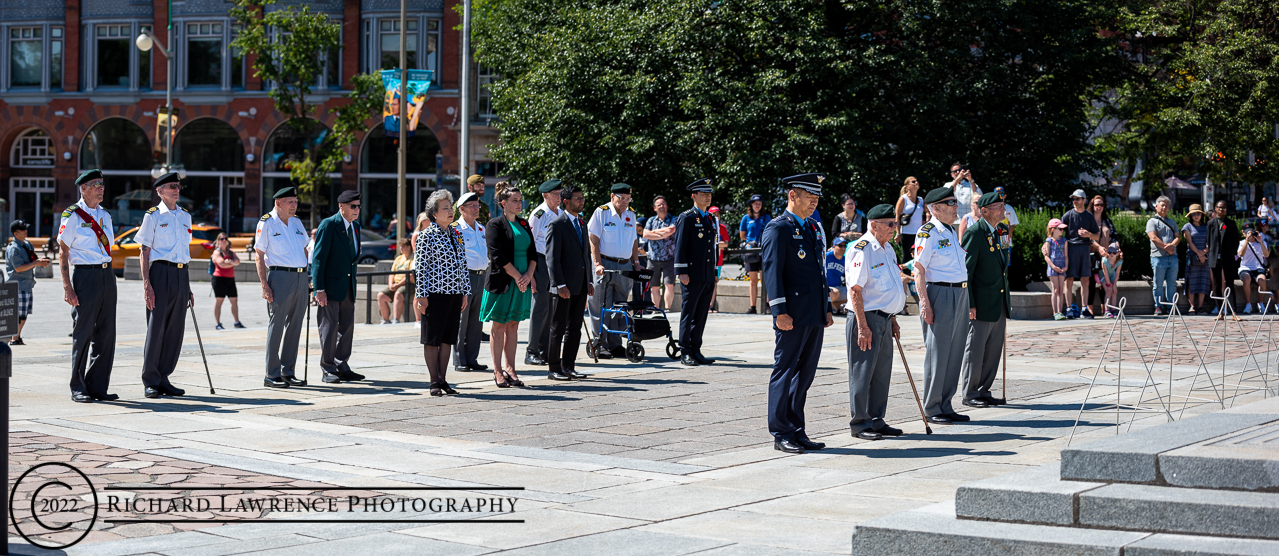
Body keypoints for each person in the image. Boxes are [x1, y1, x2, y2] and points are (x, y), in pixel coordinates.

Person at [763, 173, 834, 454]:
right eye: (809, 196)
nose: (814, 201)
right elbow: (772, 272)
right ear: (793, 196)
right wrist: (779, 311)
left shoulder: (813, 227)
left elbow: (820, 271)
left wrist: (826, 306)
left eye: (816, 197)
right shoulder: (778, 228)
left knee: (804, 375)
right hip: (791, 314)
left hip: (812, 313)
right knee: (785, 371)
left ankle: (797, 428)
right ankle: (781, 432)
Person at [846, 204, 907, 440]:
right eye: (890, 224)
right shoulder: (862, 249)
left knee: (882, 373)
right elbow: (855, 291)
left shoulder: (888, 248)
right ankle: (860, 423)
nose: (894, 228)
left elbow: (889, 286)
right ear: (874, 225)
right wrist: (862, 326)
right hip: (867, 319)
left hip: (884, 319)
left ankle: (877, 419)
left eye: (895, 223)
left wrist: (892, 318)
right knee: (863, 372)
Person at [913, 185, 972, 425]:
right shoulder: (927, 232)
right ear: (935, 208)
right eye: (950, 204)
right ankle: (932, 406)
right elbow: (918, 270)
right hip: (939, 293)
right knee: (938, 353)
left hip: (959, 294)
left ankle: (946, 404)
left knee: (955, 351)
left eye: (955, 203)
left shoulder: (949, 231)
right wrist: (924, 304)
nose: (955, 206)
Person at [59, 169, 119, 403]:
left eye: (102, 184)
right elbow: (63, 252)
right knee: (83, 333)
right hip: (85, 277)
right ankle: (78, 386)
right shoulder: (73, 215)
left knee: (106, 333)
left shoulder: (105, 215)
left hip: (107, 276)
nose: (101, 188)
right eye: (96, 184)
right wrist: (67, 287)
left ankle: (97, 386)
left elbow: (109, 248)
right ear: (83, 188)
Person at [137, 172, 194, 399]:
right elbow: (144, 251)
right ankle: (150, 380)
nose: (176, 190)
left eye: (178, 186)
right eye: (171, 186)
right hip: (160, 273)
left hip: (181, 274)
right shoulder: (152, 216)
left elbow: (185, 253)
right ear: (159, 191)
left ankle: (164, 377)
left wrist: (187, 286)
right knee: (156, 328)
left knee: (175, 330)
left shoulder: (185, 216)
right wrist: (147, 285)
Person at [413, 190, 469, 396]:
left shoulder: (456, 233)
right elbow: (421, 267)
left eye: (450, 207)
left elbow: (463, 264)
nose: (450, 211)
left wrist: (465, 292)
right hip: (434, 294)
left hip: (454, 293)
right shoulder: (427, 234)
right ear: (434, 213)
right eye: (445, 208)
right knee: (432, 338)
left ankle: (444, 379)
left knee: (447, 338)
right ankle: (433, 381)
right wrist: (422, 295)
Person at [255, 187, 312, 388]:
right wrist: (264, 285)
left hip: (300, 277)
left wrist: (307, 276)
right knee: (277, 325)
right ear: (278, 203)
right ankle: (271, 374)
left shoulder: (296, 222)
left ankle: (288, 372)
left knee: (295, 325)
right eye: (290, 202)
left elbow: (306, 248)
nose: (294, 205)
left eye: (296, 202)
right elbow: (259, 255)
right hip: (279, 276)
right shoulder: (267, 222)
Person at [481, 184, 536, 387]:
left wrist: (528, 275)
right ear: (503, 203)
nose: (518, 203)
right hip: (504, 281)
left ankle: (510, 368)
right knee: (499, 326)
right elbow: (496, 255)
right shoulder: (495, 224)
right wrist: (517, 276)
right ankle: (497, 371)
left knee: (514, 325)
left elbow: (533, 253)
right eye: (514, 200)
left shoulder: (524, 223)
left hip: (522, 281)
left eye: (520, 200)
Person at [960, 192, 1010, 410]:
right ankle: (970, 393)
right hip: (980, 302)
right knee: (976, 349)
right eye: (998, 206)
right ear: (984, 210)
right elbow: (966, 272)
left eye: (1003, 205)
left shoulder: (1000, 231)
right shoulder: (974, 233)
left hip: (998, 299)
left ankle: (984, 390)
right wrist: (970, 302)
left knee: (993, 349)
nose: (1003, 209)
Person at [311, 190, 364, 384]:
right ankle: (328, 368)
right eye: (353, 206)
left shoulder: (356, 227)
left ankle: (342, 365)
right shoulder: (329, 225)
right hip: (330, 287)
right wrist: (319, 288)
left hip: (348, 286)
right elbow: (318, 259)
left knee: (347, 327)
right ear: (341, 206)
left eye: (358, 206)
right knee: (329, 328)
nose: (357, 209)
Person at [587, 183, 642, 358]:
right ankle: (599, 343)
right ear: (612, 197)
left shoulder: (631, 214)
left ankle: (615, 344)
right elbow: (593, 239)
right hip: (605, 264)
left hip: (625, 265)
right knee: (600, 305)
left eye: (628, 199)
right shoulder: (601, 212)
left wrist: (636, 262)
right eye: (622, 198)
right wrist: (597, 263)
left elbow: (634, 240)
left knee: (620, 306)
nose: (625, 202)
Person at [545, 184, 593, 380]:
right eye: (577, 198)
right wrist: (560, 285)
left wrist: (589, 281)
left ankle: (568, 366)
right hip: (563, 287)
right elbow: (552, 259)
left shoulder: (582, 223)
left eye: (582, 198)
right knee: (558, 329)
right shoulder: (557, 225)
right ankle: (554, 369)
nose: (581, 201)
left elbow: (586, 255)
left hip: (580, 285)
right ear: (566, 202)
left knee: (575, 328)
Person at [674, 178, 718, 367]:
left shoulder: (709, 218)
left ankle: (696, 349)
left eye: (709, 193)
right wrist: (681, 271)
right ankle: (685, 351)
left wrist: (714, 271)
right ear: (694, 196)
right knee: (689, 313)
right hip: (691, 274)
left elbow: (712, 248)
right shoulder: (687, 217)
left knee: (701, 314)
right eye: (703, 193)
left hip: (707, 274)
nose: (707, 197)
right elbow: (680, 246)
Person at [525, 179, 564, 366]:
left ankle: (545, 348)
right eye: (555, 194)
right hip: (540, 261)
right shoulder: (539, 214)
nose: (559, 197)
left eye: (560, 193)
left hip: (555, 263)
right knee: (539, 307)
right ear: (545, 195)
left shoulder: (562, 213)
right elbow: (529, 243)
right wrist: (531, 273)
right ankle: (531, 350)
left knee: (552, 307)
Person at [452, 192, 490, 373]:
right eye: (473, 206)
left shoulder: (481, 228)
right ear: (462, 209)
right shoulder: (455, 229)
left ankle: (472, 358)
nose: (477, 209)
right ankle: (460, 359)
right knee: (462, 319)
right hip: (464, 277)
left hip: (481, 276)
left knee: (477, 320)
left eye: (477, 206)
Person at [5, 220, 50, 346]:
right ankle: (14, 338)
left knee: (23, 313)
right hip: (18, 285)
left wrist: (39, 261)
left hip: (27, 284)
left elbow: (31, 259)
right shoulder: (14, 248)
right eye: (22, 229)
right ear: (16, 233)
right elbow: (18, 268)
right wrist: (36, 263)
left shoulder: (26, 244)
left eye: (25, 228)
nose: (26, 231)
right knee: (19, 314)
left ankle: (16, 337)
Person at [1061, 189, 1099, 319]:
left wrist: (1088, 235)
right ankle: (1069, 308)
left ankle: (1084, 309)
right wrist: (1047, 244)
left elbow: (1097, 235)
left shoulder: (1089, 216)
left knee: (1085, 279)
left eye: (1077, 199)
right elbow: (1058, 233)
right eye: (1073, 199)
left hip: (1084, 248)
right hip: (1071, 248)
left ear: (1084, 200)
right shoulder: (1067, 215)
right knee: (1069, 279)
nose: (1075, 201)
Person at [1146, 195, 1180, 316]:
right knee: (1158, 284)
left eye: (1167, 205)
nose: (1164, 208)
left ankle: (1171, 306)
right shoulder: (1152, 221)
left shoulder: (1172, 222)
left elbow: (1178, 236)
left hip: (1173, 257)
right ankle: (1158, 306)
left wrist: (1173, 246)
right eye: (1162, 205)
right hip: (1158, 257)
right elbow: (1153, 237)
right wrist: (1167, 247)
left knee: (1172, 283)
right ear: (1156, 206)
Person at [1206, 200, 1241, 316]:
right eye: (1219, 208)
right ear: (1215, 209)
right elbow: (1209, 241)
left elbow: (1235, 241)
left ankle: (1233, 312)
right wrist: (1212, 253)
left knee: (1229, 284)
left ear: (1226, 210)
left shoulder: (1230, 223)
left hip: (1228, 257)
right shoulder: (1211, 224)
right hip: (1215, 257)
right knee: (1216, 285)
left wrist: (1232, 253)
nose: (1221, 210)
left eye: (1223, 208)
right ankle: (1220, 311)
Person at [643, 196, 678, 311]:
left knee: (669, 285)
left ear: (667, 206)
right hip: (653, 258)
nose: (662, 206)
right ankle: (656, 309)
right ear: (654, 208)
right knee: (654, 286)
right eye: (659, 205)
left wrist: (654, 233)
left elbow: (671, 230)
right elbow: (645, 234)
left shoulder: (673, 219)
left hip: (669, 257)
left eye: (663, 204)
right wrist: (662, 234)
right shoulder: (651, 220)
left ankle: (667, 309)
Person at [739, 194, 771, 314]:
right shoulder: (746, 218)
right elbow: (742, 235)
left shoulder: (766, 217)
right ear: (751, 205)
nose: (757, 205)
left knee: (765, 279)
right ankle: (753, 306)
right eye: (755, 203)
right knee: (753, 280)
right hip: (751, 251)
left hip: (763, 251)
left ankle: (767, 305)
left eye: (759, 203)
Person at [1087, 195, 1116, 313]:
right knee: (1090, 282)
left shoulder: (1107, 221)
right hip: (1091, 255)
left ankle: (1105, 306)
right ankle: (1089, 307)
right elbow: (1087, 238)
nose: (1099, 207)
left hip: (1106, 256)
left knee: (1104, 280)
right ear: (1092, 206)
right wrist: (1099, 248)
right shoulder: (1088, 220)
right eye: (1096, 205)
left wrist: (1116, 249)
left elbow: (1114, 237)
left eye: (1101, 205)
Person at [210, 233, 245, 330]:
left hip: (230, 279)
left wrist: (228, 262)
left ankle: (237, 322)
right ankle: (218, 323)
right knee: (219, 301)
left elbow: (238, 262)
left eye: (225, 238)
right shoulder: (217, 252)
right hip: (219, 279)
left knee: (234, 300)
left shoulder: (230, 252)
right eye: (221, 239)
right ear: (218, 241)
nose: (224, 240)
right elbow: (221, 264)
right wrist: (231, 262)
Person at [1183, 204, 1211, 314]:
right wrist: (1199, 254)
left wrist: (1204, 252)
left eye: (1198, 214)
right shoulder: (1187, 226)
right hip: (1192, 257)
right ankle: (1192, 306)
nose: (1196, 216)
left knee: (1203, 281)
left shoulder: (1207, 226)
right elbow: (1189, 242)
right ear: (1190, 216)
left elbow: (1210, 241)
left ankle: (1200, 307)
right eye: (1193, 214)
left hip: (1205, 257)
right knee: (1191, 282)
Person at [378, 239, 414, 324]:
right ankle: (386, 320)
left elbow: (411, 275)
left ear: (409, 247)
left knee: (398, 293)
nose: (401, 249)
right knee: (381, 295)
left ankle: (396, 319)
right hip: (395, 284)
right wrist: (391, 284)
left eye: (403, 247)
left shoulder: (413, 258)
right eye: (400, 247)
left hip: (408, 284)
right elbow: (392, 273)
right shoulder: (398, 258)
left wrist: (397, 285)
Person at [1238, 224, 1270, 314]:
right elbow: (1240, 254)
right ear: (1244, 233)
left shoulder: (1261, 242)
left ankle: (1260, 303)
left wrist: (1260, 241)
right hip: (1245, 268)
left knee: (1262, 280)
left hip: (1258, 268)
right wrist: (1247, 241)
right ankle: (1248, 304)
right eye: (1248, 233)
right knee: (1246, 279)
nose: (1251, 235)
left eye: (1251, 232)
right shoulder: (1241, 243)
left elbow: (1266, 255)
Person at [1044, 219, 1069, 320]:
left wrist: (1066, 266)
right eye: (1060, 229)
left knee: (1060, 289)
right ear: (1053, 229)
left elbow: (1066, 255)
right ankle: (1055, 312)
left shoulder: (1064, 240)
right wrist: (1053, 266)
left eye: (1063, 229)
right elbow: (1046, 256)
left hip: (1062, 267)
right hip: (1053, 267)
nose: (1062, 231)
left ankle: (1060, 311)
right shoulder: (1049, 241)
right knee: (1055, 289)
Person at [707, 206, 730, 312]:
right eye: (714, 214)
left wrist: (714, 244)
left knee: (714, 282)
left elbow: (725, 243)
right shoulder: (706, 226)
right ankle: (705, 306)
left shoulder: (722, 228)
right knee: (706, 282)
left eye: (718, 214)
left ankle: (711, 305)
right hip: (706, 260)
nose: (716, 216)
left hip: (718, 260)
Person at [895, 177, 927, 250]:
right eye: (913, 181)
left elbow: (925, 213)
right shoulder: (903, 199)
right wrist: (898, 233)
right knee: (907, 256)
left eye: (917, 181)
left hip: (919, 233)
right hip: (906, 233)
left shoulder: (920, 199)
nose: (916, 182)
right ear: (907, 186)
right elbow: (897, 216)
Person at [995, 187, 1018, 264]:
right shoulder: (991, 208)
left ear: (1005, 195)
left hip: (1005, 237)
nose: (998, 196)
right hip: (993, 237)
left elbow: (1013, 223)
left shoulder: (1009, 209)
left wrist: (1008, 235)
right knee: (994, 261)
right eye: (996, 194)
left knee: (1005, 262)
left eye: (1001, 194)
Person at [826, 238, 848, 314]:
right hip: (826, 287)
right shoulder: (826, 257)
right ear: (834, 246)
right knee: (835, 292)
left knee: (854, 293)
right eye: (840, 246)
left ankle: (836, 308)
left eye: (845, 246)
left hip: (838, 286)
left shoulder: (846, 260)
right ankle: (825, 309)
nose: (843, 248)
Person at [1101, 243, 1123, 317]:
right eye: (1110, 252)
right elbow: (1105, 273)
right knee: (1109, 290)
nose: (1112, 254)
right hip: (1103, 277)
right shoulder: (1104, 260)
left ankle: (1113, 310)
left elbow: (1117, 273)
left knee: (1114, 291)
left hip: (1112, 276)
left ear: (1118, 253)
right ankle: (1107, 311)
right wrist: (1109, 284)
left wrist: (1114, 285)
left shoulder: (1119, 261)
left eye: (1114, 252)